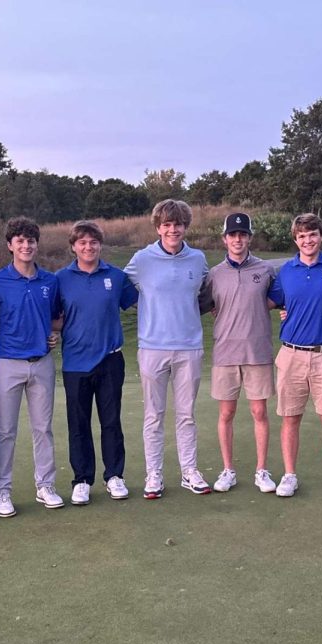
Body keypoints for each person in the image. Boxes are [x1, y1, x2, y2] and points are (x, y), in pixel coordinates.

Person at [124, 199, 211, 499]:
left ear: (185, 226)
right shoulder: (141, 259)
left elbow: (206, 295)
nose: (172, 229)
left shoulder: (198, 259)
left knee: (186, 414)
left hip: (189, 347)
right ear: (158, 227)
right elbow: (124, 290)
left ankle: (189, 471)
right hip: (152, 348)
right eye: (167, 224)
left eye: (178, 224)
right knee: (154, 415)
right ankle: (154, 475)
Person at [54, 220, 138, 505]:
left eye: (93, 242)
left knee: (111, 421)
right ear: (73, 247)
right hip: (75, 363)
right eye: (82, 243)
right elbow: (54, 318)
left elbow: (140, 303)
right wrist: (50, 335)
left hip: (110, 360)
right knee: (78, 424)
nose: (88, 247)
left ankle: (114, 476)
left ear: (100, 245)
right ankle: (82, 479)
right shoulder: (60, 279)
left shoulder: (115, 276)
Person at [268, 213, 322, 499]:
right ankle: (290, 475)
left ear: (321, 236)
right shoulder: (287, 271)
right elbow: (270, 300)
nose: (307, 240)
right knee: (290, 418)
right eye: (302, 236)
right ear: (295, 239)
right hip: (291, 354)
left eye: (312, 234)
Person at [0, 216, 64, 516]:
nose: (26, 245)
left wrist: (55, 332)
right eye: (20, 241)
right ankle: (2, 491)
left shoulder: (50, 281)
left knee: (43, 429)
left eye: (31, 240)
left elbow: (57, 317)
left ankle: (45, 486)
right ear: (10, 245)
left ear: (37, 244)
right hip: (8, 363)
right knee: (5, 431)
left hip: (41, 363)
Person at [200, 212, 278, 493]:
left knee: (259, 411)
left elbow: (278, 298)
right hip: (225, 351)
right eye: (232, 235)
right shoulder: (214, 274)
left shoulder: (266, 270)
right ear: (224, 239)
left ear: (249, 238)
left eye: (242, 234)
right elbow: (203, 304)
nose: (238, 239)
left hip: (257, 351)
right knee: (227, 413)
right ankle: (228, 470)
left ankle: (261, 470)